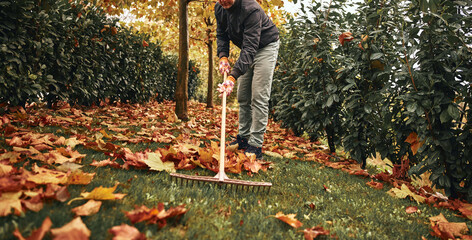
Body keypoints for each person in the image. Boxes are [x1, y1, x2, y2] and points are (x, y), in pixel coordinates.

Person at [215, 0, 280, 160]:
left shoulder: (251, 9)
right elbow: (222, 34)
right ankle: (243, 138)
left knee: (259, 97)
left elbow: (251, 48)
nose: (223, 0)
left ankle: (256, 145)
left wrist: (232, 77)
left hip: (265, 47)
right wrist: (223, 56)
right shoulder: (220, 8)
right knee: (243, 96)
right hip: (246, 48)